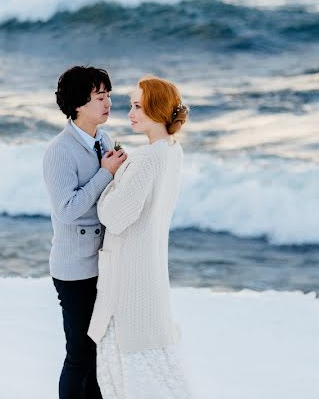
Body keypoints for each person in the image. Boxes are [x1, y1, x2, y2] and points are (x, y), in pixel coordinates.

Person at [87, 75, 198, 399]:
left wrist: (111, 177)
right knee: (158, 369)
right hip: (148, 271)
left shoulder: (146, 159)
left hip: (128, 279)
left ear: (157, 109)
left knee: (123, 374)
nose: (130, 113)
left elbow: (112, 216)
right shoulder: (171, 152)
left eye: (137, 106)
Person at [44, 66, 128, 399]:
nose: (108, 103)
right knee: (80, 354)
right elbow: (67, 209)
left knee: (99, 353)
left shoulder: (102, 140)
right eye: (100, 97)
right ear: (79, 104)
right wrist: (106, 174)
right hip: (74, 268)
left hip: (103, 261)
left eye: (108, 96)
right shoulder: (59, 151)